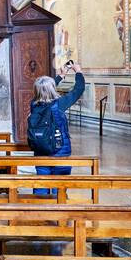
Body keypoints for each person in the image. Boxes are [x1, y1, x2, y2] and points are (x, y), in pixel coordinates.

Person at [27, 62, 85, 196]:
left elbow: (45, 89)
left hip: (41, 151)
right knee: (59, 186)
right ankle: (59, 213)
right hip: (60, 151)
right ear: (53, 89)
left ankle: (42, 212)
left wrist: (60, 76)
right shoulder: (59, 104)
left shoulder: (34, 105)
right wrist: (78, 71)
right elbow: (78, 89)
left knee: (42, 183)